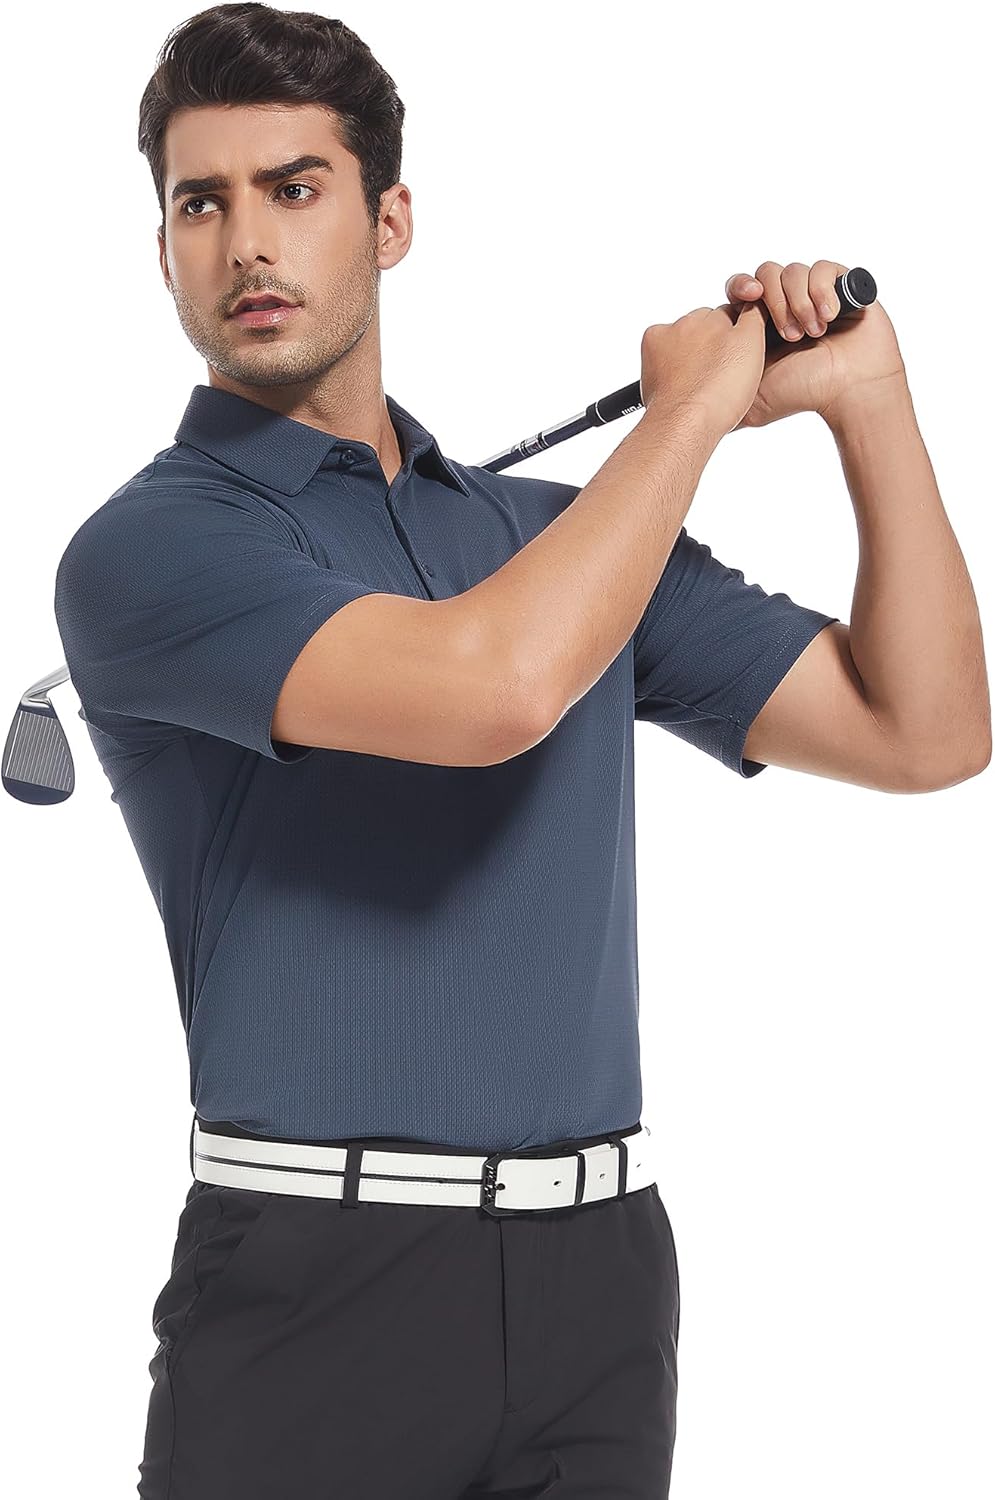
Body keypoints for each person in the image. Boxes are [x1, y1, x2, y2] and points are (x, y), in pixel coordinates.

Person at [51, 5, 991, 1498]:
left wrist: (868, 402)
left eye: (294, 188)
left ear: (390, 222)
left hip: (599, 1278)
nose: (247, 245)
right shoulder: (150, 549)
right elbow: (493, 691)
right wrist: (689, 415)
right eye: (200, 203)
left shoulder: (555, 541)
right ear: (162, 247)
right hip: (313, 1284)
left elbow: (924, 730)